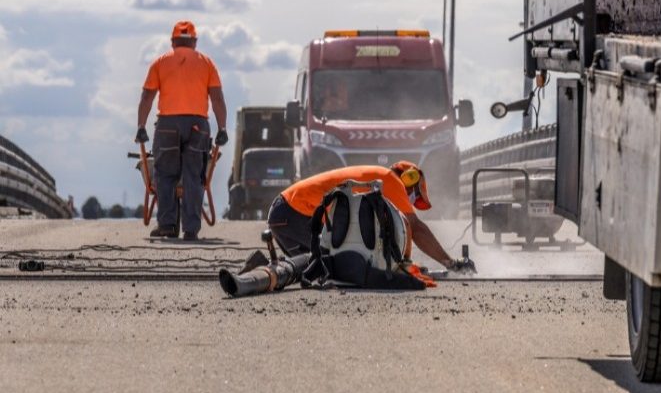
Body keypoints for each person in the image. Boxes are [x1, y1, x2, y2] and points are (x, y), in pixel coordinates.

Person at [265, 161, 472, 272]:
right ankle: (262, 273)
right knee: (328, 266)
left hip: (286, 213)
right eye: (414, 195)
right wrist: (449, 262)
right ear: (409, 179)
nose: (410, 202)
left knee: (309, 267)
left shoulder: (377, 182)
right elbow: (414, 227)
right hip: (292, 213)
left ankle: (259, 267)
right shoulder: (390, 180)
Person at [134, 20, 228, 241]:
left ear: (173, 41)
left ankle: (167, 225)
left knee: (165, 175)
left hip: (167, 125)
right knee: (194, 177)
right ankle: (191, 229)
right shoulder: (207, 64)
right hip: (198, 126)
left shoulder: (160, 62)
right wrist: (222, 128)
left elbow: (147, 96)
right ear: (194, 41)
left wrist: (140, 126)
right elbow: (217, 98)